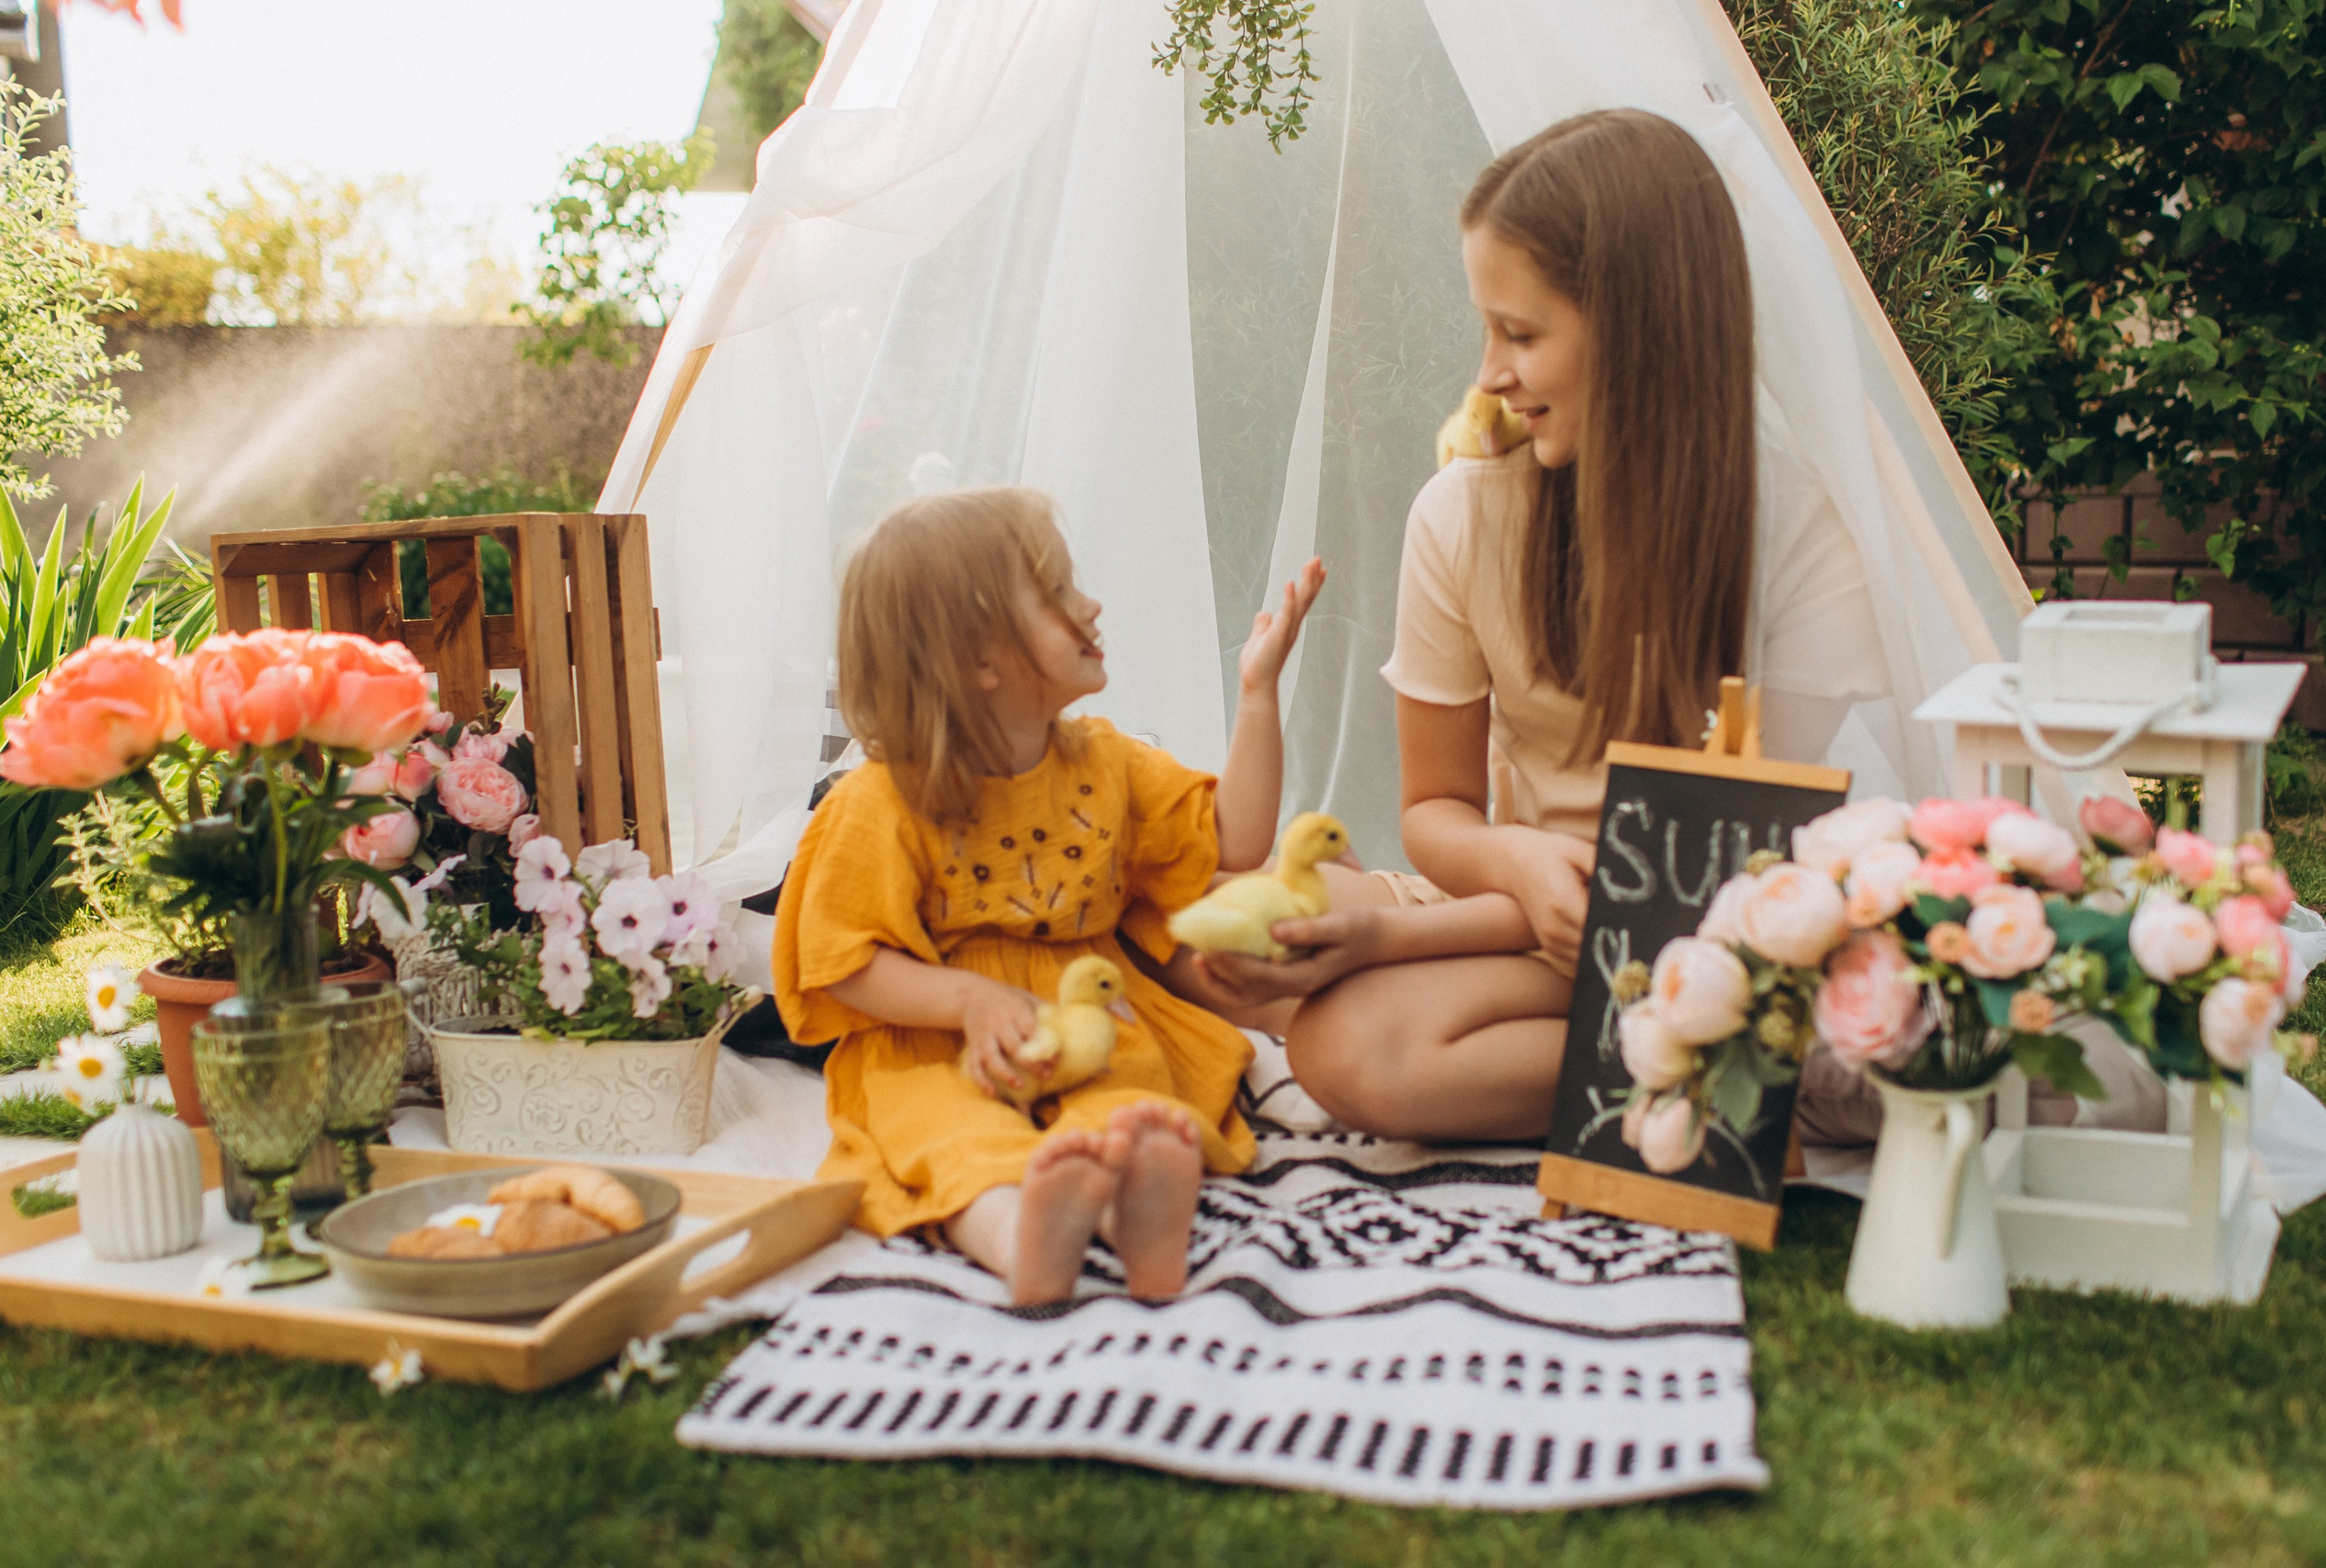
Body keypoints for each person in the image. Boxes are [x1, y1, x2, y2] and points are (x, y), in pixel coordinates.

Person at [1151, 108, 1892, 1142]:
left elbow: (1703, 883)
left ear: (1641, 336)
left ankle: (1753, 1065)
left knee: (1351, 1047)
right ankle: (1695, 1071)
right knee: (1194, 937)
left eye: (1523, 334)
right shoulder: (1462, 512)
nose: (1489, 373)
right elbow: (1438, 807)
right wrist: (1511, 869)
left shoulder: (1799, 538)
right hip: (1525, 909)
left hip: (1703, 927)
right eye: (1487, 328)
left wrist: (1391, 943)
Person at [770, 484, 1325, 1304]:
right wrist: (968, 1001)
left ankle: (1129, 1205)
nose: (1091, 604)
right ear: (981, 660)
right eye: (1060, 591)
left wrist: (1256, 694)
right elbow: (841, 963)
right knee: (951, 1132)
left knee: (1128, 1101)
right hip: (935, 1039)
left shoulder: (1106, 762)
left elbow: (1235, 839)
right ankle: (1020, 1236)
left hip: (1092, 1016)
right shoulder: (879, 801)